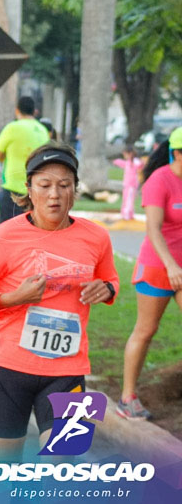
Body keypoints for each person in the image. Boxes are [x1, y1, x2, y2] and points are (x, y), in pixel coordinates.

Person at [0, 142, 117, 460]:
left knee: (65, 465)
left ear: (75, 189)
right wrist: (11, 298)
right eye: (45, 185)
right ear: (29, 190)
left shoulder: (96, 237)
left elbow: (110, 280)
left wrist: (108, 290)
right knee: (3, 472)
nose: (55, 195)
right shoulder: (4, 236)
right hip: (8, 371)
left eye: (64, 185)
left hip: (68, 371)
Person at [118, 133, 182, 420]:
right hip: (158, 266)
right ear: (177, 153)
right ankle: (127, 397)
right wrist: (171, 266)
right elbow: (153, 229)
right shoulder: (160, 180)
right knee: (146, 330)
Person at [0, 96, 49, 223]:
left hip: (13, 188)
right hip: (36, 189)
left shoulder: (13, 128)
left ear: (17, 110)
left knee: (7, 231)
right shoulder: (43, 130)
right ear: (34, 111)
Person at [113, 144, 142, 221]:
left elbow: (140, 166)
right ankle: (126, 214)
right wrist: (116, 161)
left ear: (130, 154)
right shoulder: (129, 162)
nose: (124, 156)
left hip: (132, 185)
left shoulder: (135, 162)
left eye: (125, 154)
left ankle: (127, 215)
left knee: (129, 200)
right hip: (127, 185)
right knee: (126, 199)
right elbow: (122, 163)